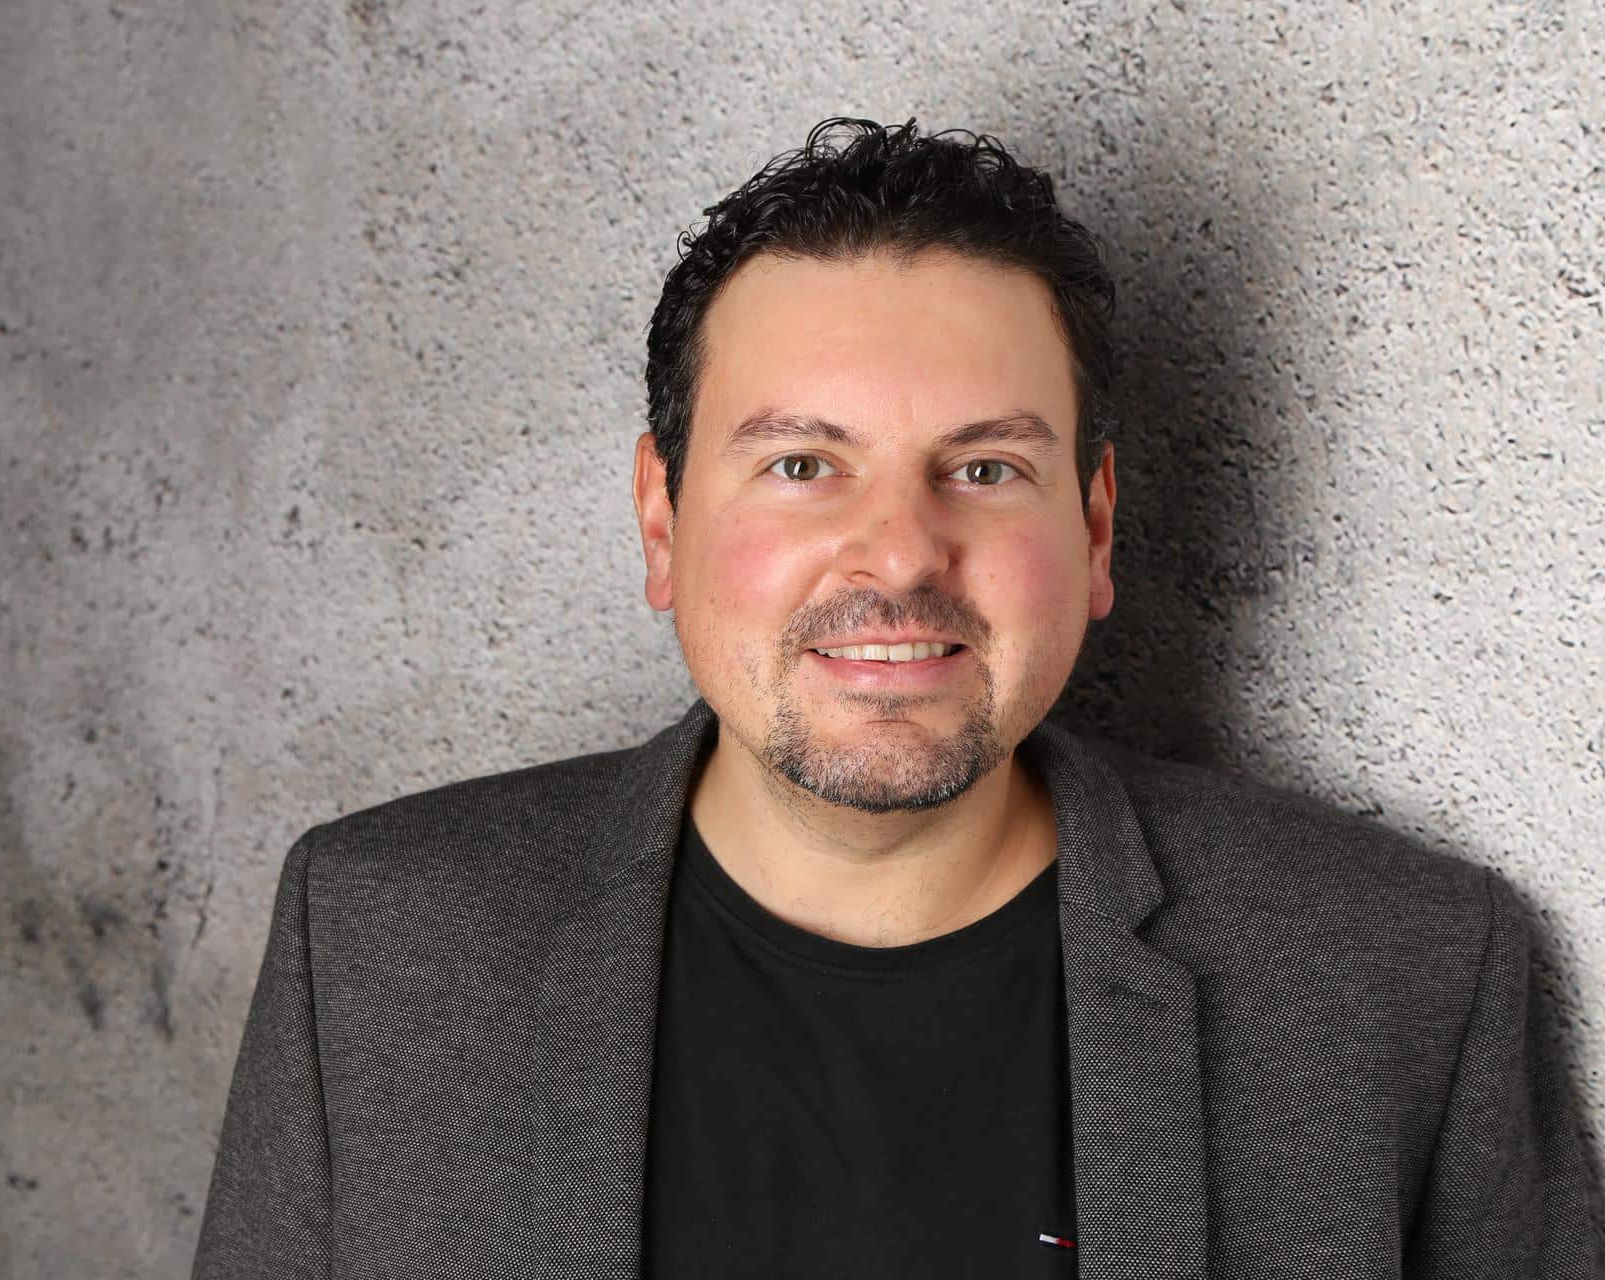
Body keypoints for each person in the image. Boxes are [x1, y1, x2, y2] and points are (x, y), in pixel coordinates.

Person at [191, 119, 1598, 1278]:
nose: (902, 555)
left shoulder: (1399, 972)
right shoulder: (376, 942)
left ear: (1095, 528)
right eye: (803, 465)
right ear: (661, 520)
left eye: (984, 468)